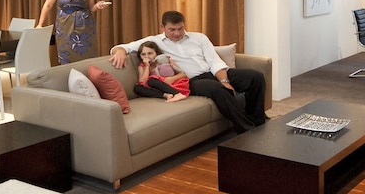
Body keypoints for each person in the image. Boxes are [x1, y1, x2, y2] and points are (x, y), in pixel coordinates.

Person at [111, 10, 267, 133]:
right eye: (172, 30)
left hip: (212, 73)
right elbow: (124, 47)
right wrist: (120, 52)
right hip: (192, 81)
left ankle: (258, 120)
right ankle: (246, 129)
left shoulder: (199, 38)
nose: (177, 33)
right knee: (217, 89)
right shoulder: (154, 41)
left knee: (255, 77)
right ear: (162, 27)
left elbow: (214, 61)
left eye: (180, 28)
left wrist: (224, 80)